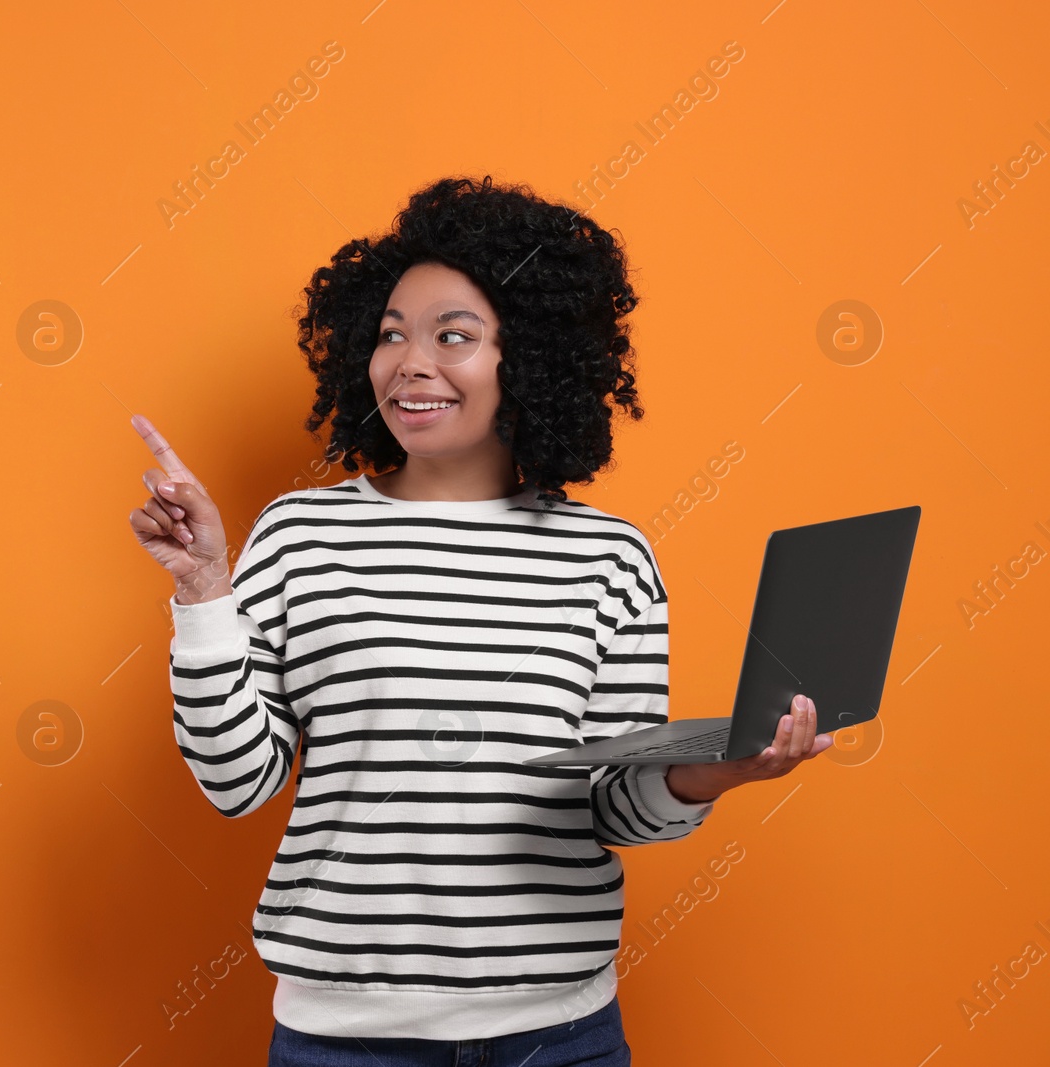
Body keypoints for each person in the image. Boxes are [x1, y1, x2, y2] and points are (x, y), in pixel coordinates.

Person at [129, 175, 832, 1066]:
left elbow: (614, 806)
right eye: (391, 335)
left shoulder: (609, 559)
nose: (409, 362)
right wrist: (203, 594)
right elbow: (237, 783)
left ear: (528, 357)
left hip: (561, 1036)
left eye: (452, 336)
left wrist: (716, 772)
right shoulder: (299, 535)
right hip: (346, 1044)